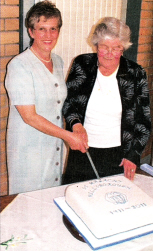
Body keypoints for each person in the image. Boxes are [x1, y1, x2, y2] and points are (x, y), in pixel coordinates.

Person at [5, 0, 87, 195]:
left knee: (52, 201)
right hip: (29, 150)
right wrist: (68, 137)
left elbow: (61, 103)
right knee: (29, 206)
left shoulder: (57, 61)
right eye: (42, 29)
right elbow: (29, 116)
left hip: (53, 148)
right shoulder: (19, 66)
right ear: (31, 31)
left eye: (53, 29)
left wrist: (76, 126)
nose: (48, 35)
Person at [62, 17, 151, 185]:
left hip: (119, 156)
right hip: (83, 151)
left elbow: (143, 120)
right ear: (96, 46)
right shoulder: (82, 64)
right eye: (104, 47)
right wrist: (76, 125)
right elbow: (69, 103)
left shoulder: (136, 74)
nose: (110, 53)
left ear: (123, 49)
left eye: (116, 48)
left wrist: (133, 155)